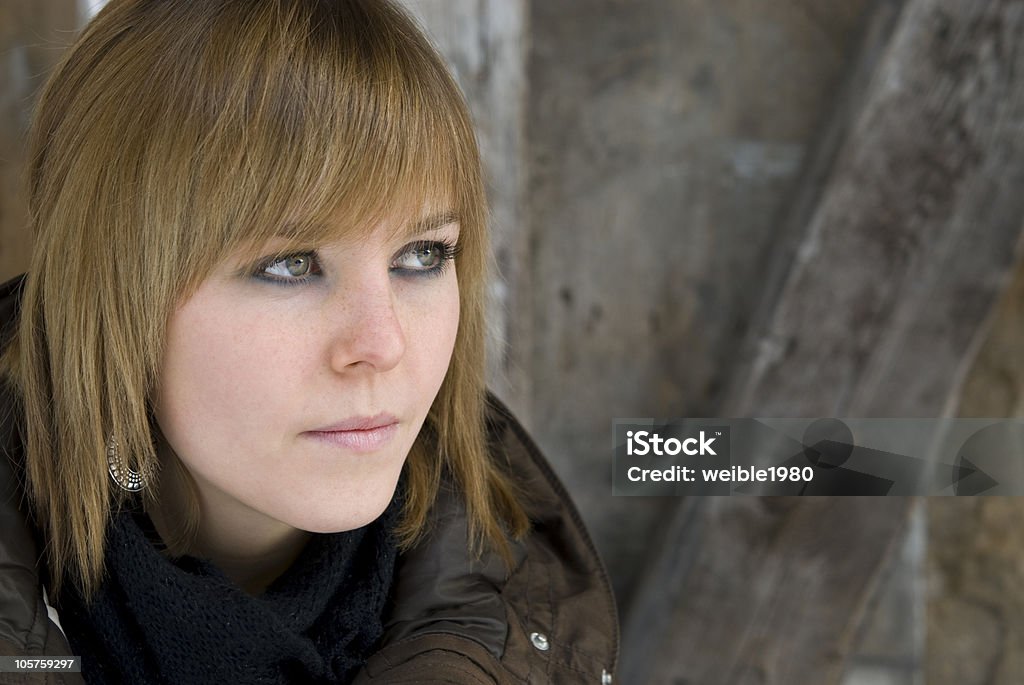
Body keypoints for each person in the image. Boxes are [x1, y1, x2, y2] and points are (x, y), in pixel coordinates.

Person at [0, 0, 619, 682]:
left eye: (421, 255)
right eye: (291, 264)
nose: (382, 344)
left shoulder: (505, 623)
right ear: (108, 287)